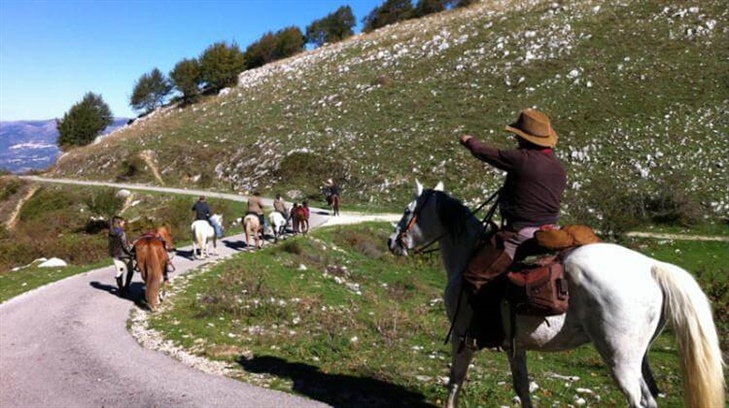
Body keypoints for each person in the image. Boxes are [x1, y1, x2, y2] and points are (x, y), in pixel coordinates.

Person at [458, 108, 567, 349]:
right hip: (551, 231)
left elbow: (485, 152)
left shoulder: (522, 159)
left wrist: (467, 140)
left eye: (518, 136)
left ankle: (490, 335)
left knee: (475, 275)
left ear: (524, 138)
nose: (515, 140)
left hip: (520, 233)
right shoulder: (558, 167)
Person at [108, 215, 134, 297]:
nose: (124, 223)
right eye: (123, 222)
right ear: (119, 223)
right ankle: (126, 287)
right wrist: (131, 253)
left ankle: (121, 290)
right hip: (125, 255)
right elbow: (125, 246)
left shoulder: (110, 233)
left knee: (119, 273)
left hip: (115, 255)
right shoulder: (122, 233)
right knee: (130, 271)